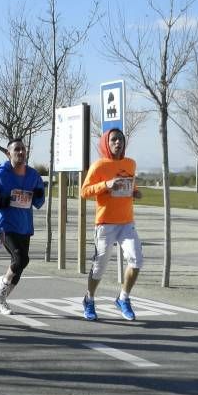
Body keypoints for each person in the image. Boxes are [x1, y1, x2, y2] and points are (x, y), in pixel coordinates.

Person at [80, 128, 143, 321]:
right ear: (106, 143)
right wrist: (105, 185)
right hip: (105, 223)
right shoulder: (99, 165)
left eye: (121, 140)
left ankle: (123, 298)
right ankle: (89, 300)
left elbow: (131, 185)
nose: (118, 143)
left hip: (126, 222)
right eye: (114, 140)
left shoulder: (130, 163)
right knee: (99, 267)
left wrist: (135, 192)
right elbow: (84, 192)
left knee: (137, 260)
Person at [0, 138, 45, 315]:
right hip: (5, 225)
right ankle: (1, 292)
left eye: (23, 149)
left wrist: (38, 194)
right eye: (16, 150)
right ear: (8, 153)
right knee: (20, 259)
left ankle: (2, 297)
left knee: (20, 265)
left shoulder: (33, 175)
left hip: (24, 225)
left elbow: (39, 202)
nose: (20, 152)